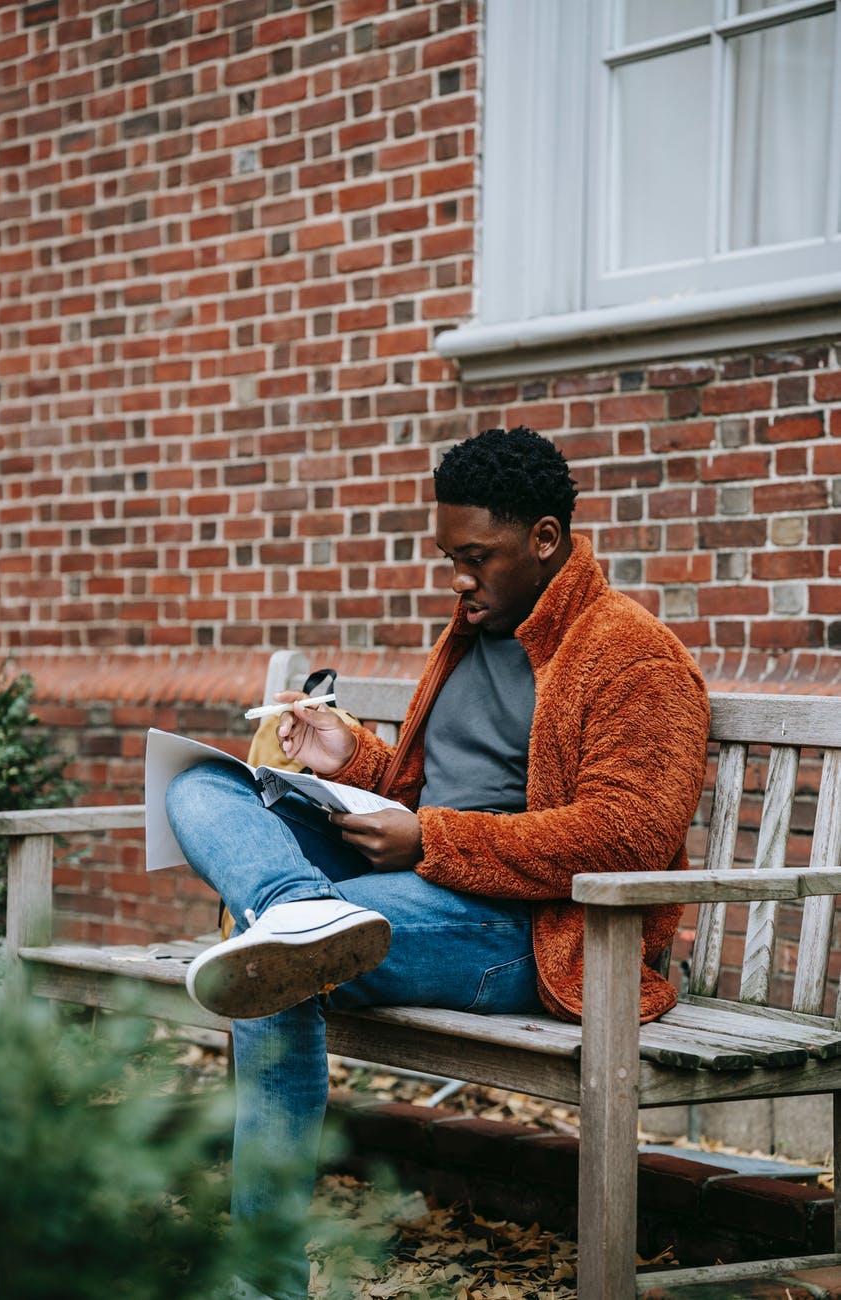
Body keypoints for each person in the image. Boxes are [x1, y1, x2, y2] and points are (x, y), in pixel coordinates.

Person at [165, 426, 710, 1300]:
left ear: (543, 539)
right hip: (418, 887)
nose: (458, 578)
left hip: (530, 933)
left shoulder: (632, 655)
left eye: (475, 556)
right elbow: (423, 791)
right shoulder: (470, 632)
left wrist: (433, 843)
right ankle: (303, 907)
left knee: (269, 968)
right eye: (447, 557)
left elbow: (626, 835)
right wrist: (348, 761)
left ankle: (259, 1285)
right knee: (198, 787)